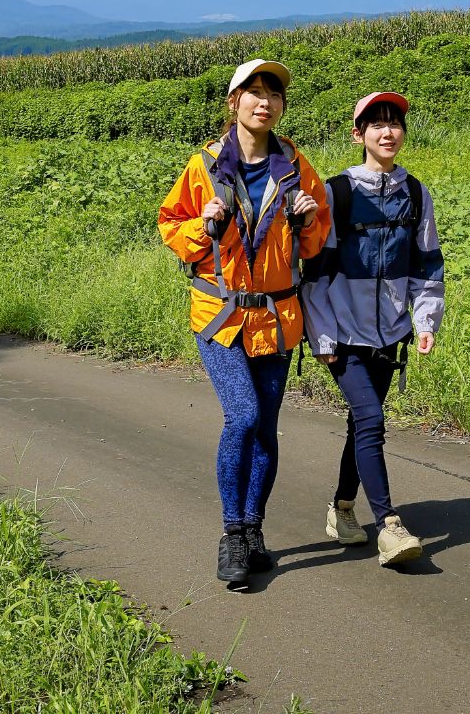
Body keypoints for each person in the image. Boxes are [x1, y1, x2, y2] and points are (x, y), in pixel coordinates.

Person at [157, 58, 330, 590]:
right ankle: (232, 533)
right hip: (220, 314)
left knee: (266, 427)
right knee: (244, 414)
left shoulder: (295, 167)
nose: (264, 101)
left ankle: (254, 530)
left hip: (277, 317)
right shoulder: (204, 165)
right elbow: (170, 224)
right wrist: (202, 225)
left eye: (273, 93)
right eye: (252, 92)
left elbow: (317, 237)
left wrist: (306, 221)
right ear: (232, 103)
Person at [301, 91, 444, 567]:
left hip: (391, 336)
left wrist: (424, 321)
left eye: (395, 123)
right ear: (357, 134)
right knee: (373, 422)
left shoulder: (416, 193)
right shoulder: (336, 193)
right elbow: (316, 272)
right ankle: (389, 525)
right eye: (376, 124)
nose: (388, 132)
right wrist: (321, 337)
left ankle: (342, 508)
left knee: (361, 424)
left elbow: (427, 264)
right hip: (343, 335)